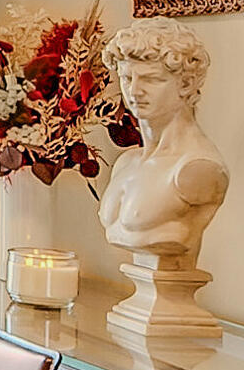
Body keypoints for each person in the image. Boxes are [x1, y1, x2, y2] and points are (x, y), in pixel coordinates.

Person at [97, 19, 228, 337]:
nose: (134, 91)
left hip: (171, 324)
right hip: (135, 317)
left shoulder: (197, 169)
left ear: (185, 84)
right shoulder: (127, 163)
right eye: (127, 77)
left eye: (151, 80)